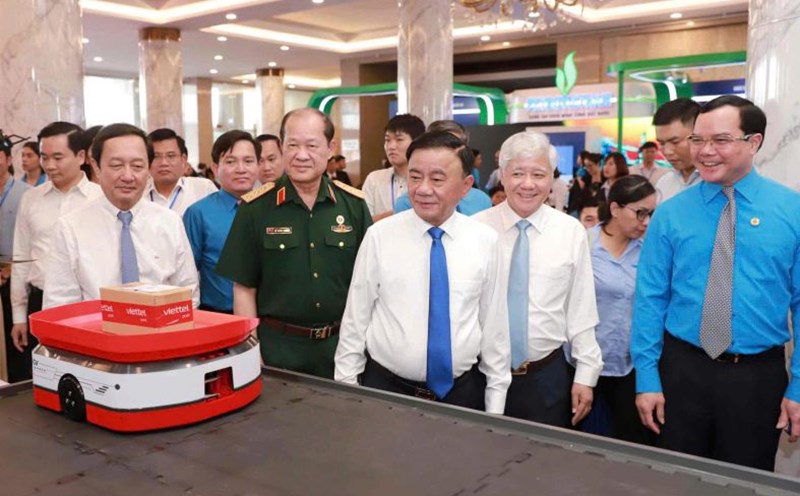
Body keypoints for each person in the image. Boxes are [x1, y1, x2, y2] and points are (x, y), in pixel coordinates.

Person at [631, 95, 800, 471]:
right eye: (697, 140)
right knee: (677, 479)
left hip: (756, 378)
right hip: (681, 370)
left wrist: (799, 386)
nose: (705, 152)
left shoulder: (791, 211)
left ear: (753, 142)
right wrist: (646, 377)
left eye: (720, 140)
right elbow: (650, 299)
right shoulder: (670, 213)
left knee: (745, 480)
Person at [335, 131, 510, 413]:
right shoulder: (380, 236)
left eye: (437, 179)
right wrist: (347, 388)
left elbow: (494, 326)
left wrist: (496, 404)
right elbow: (356, 318)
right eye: (415, 177)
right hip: (387, 391)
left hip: (462, 395)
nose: (423, 189)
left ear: (466, 186)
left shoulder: (485, 241)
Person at [216, 108, 372, 379]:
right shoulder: (255, 208)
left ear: (329, 148)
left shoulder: (354, 206)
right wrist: (251, 348)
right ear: (281, 147)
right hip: (278, 348)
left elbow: (371, 284)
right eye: (292, 145)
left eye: (312, 145)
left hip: (343, 347)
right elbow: (243, 288)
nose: (302, 155)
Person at [474, 131, 602, 428]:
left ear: (552, 179)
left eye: (538, 174)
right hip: (479, 375)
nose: (528, 184)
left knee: (542, 467)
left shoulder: (570, 231)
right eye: (518, 173)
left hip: (546, 377)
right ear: (502, 176)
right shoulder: (474, 230)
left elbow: (580, 308)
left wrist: (586, 374)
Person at [42, 123, 199, 309]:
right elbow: (59, 305)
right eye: (116, 165)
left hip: (162, 334)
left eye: (138, 166)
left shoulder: (170, 222)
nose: (127, 176)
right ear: (96, 167)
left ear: (148, 169)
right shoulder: (70, 228)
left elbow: (188, 294)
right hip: (95, 335)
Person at [10, 122, 103, 376]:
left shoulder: (101, 198)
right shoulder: (31, 198)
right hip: (40, 303)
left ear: (81, 156)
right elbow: (21, 256)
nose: (49, 165)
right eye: (44, 157)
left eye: (58, 157)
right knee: (44, 377)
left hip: (88, 305)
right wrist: (19, 315)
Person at [583, 175, 656, 444]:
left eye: (651, 213)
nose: (646, 222)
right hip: (585, 365)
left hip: (630, 366)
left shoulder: (649, 250)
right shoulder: (584, 244)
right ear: (614, 209)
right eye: (640, 213)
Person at [184, 131, 260, 313]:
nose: (241, 169)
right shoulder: (198, 213)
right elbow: (186, 273)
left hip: (268, 319)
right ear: (216, 169)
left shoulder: (273, 209)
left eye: (248, 161)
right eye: (231, 162)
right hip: (217, 315)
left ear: (258, 166)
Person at [0, 134, 32, 382]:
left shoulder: (27, 194)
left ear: (9, 159)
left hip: (17, 278)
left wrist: (9, 269)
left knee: (17, 338)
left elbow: (30, 243)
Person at [361, 114, 425, 221]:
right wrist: (400, 212)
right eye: (387, 140)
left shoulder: (427, 180)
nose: (391, 146)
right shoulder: (374, 179)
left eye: (399, 140)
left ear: (417, 142)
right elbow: (363, 223)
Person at [144, 128, 217, 216]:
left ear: (183, 160)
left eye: (171, 156)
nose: (164, 163)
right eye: (156, 156)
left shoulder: (204, 188)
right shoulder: (139, 193)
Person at [652, 98, 703, 203]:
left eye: (675, 142)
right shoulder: (664, 183)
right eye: (661, 143)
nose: (667, 152)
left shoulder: (720, 184)